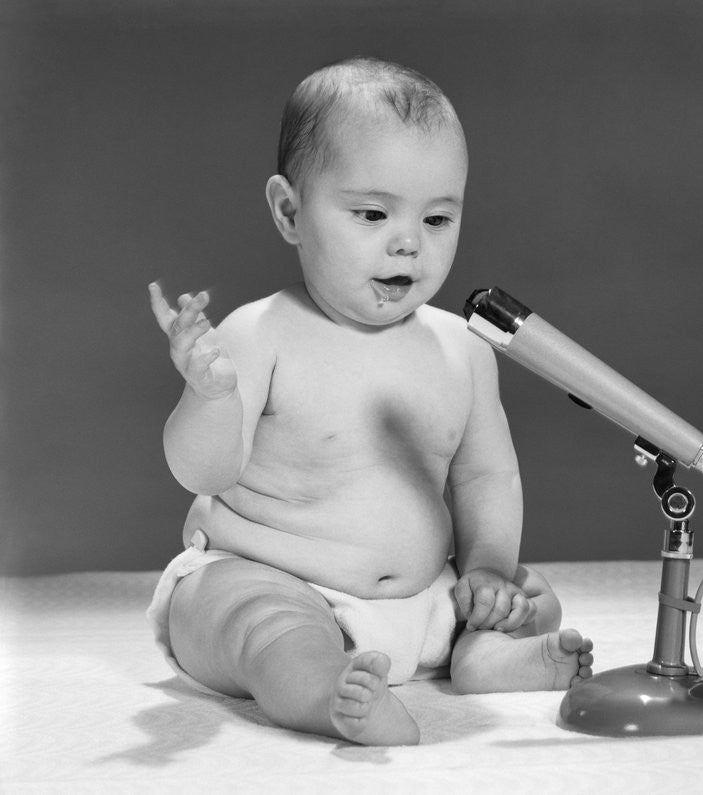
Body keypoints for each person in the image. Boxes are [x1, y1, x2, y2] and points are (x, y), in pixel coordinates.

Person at [145, 57, 593, 746]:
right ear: (290, 210)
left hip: (423, 596)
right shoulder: (260, 333)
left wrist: (487, 571)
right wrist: (208, 397)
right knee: (256, 621)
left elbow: (486, 476)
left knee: (528, 596)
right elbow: (202, 473)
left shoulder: (461, 349)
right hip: (278, 579)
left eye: (439, 217)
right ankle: (326, 690)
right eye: (373, 213)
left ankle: (483, 656)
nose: (408, 241)